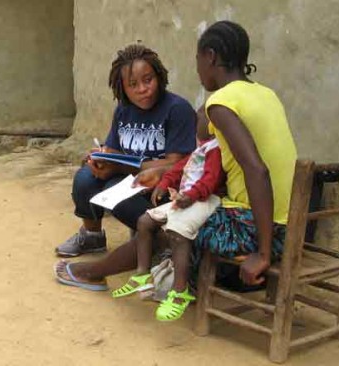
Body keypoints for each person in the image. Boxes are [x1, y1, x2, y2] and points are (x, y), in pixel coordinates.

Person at [55, 20, 297, 303]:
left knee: (162, 225)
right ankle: (135, 271)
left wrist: (263, 254)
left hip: (254, 227)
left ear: (210, 57)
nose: (197, 69)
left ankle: (94, 272)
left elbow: (257, 170)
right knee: (173, 214)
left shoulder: (221, 103)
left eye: (197, 60)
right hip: (285, 222)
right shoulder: (265, 94)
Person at [55, 44, 197, 258]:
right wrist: (100, 159)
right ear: (122, 87)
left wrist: (121, 165)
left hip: (163, 186)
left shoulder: (176, 109)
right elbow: (113, 149)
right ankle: (92, 237)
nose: (142, 89)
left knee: (114, 190)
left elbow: (175, 165)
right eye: (133, 84)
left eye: (148, 80)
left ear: (158, 77)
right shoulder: (124, 109)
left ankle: (159, 241)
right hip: (129, 176)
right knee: (85, 177)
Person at [109, 112, 224, 322]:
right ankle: (142, 274)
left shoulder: (216, 150)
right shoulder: (200, 149)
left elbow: (210, 181)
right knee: (144, 221)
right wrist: (163, 184)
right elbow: (178, 169)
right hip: (185, 199)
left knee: (177, 233)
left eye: (199, 124)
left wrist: (190, 196)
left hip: (204, 200)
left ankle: (180, 291)